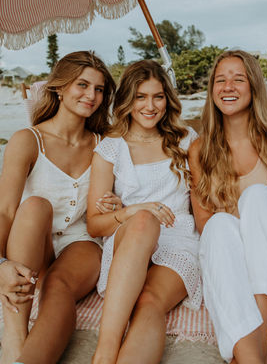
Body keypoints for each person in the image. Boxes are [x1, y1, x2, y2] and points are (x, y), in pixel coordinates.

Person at [0, 51, 118, 364]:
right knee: (33, 206)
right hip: (32, 245)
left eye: (99, 89)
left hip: (82, 243)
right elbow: (4, 211)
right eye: (82, 85)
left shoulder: (106, 143)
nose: (91, 95)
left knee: (58, 287)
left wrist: (116, 201)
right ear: (59, 87)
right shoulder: (28, 140)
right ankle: (15, 335)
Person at [188, 50, 267, 364]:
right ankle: (251, 359)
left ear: (254, 87)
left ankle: (260, 341)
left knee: (258, 197)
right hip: (233, 254)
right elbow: (204, 222)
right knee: (216, 225)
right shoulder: (200, 149)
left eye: (238, 79)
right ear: (213, 90)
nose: (228, 86)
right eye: (221, 80)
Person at [87, 60, 202, 364]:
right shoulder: (110, 150)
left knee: (149, 302)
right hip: (130, 240)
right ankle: (105, 351)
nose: (150, 106)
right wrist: (130, 211)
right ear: (127, 100)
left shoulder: (186, 140)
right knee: (142, 221)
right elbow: (95, 226)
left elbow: (205, 201)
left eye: (158, 96)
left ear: (168, 99)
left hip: (178, 240)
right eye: (140, 96)